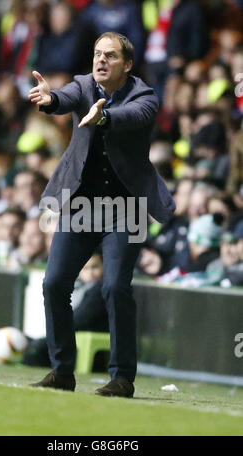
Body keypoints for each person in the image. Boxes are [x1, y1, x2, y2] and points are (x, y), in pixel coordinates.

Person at [28, 32, 175, 397]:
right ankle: (62, 370)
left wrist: (103, 115)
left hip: (126, 210)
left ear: (127, 64)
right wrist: (51, 100)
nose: (100, 61)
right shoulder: (83, 85)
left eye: (110, 56)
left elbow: (132, 116)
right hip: (80, 206)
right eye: (97, 54)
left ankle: (122, 377)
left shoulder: (145, 96)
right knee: (54, 284)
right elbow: (67, 97)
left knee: (114, 287)